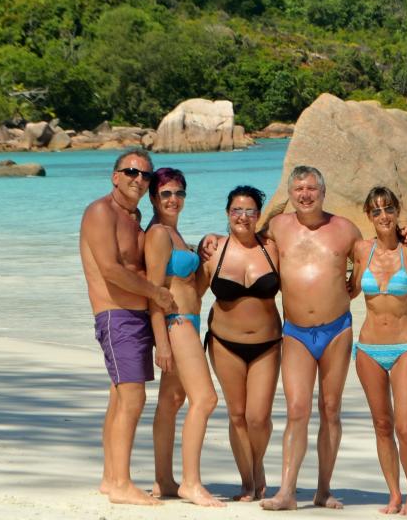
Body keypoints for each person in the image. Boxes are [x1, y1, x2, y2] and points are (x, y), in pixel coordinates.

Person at [260, 165, 362, 511]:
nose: (305, 194)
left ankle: (323, 489)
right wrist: (212, 244)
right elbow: (247, 244)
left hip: (337, 329)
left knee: (331, 409)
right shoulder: (277, 227)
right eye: (299, 188)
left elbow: (372, 263)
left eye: (311, 188)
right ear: (290, 194)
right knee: (297, 409)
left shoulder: (345, 229)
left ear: (323, 192)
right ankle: (286, 491)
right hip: (296, 332)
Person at [80, 148, 176, 507]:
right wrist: (157, 294)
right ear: (115, 176)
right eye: (132, 172)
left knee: (119, 398)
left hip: (134, 317)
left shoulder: (134, 219)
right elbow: (110, 269)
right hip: (116, 315)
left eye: (145, 175)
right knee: (133, 398)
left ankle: (110, 478)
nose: (139, 179)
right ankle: (122, 482)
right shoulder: (100, 212)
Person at [146, 168, 224, 507]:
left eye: (178, 193)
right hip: (175, 324)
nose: (173, 199)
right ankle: (190, 482)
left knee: (170, 403)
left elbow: (194, 289)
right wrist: (161, 341)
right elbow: (154, 292)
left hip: (189, 321)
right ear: (153, 198)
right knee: (205, 400)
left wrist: (205, 256)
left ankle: (164, 479)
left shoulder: (176, 234)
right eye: (165, 194)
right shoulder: (159, 235)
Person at [202, 186, 282, 502]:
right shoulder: (212, 250)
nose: (243, 217)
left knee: (258, 417)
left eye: (250, 211)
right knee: (237, 415)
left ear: (259, 215)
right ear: (227, 213)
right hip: (224, 343)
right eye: (237, 210)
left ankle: (257, 468)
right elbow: (189, 292)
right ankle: (248, 483)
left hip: (268, 344)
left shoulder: (273, 249)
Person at [348, 187, 407, 516]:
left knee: (405, 428)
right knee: (382, 424)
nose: (383, 216)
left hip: (405, 346)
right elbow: (346, 290)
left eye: (388, 208)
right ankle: (393, 494)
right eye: (376, 211)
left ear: (397, 210)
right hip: (367, 349)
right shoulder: (361, 251)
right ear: (368, 216)